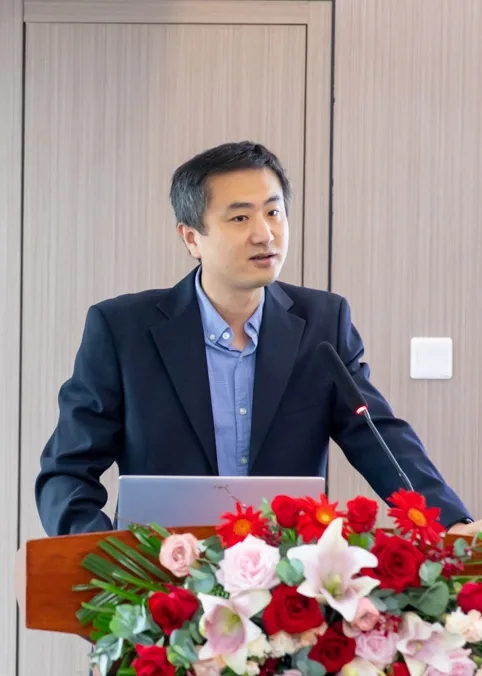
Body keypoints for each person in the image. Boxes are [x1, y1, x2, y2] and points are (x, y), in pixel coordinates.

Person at [35, 140, 479, 538]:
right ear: (191, 238)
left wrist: (449, 521)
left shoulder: (322, 323)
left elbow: (376, 435)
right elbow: (68, 469)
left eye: (273, 212)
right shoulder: (122, 330)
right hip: (159, 578)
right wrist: (101, 553)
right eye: (240, 217)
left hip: (286, 579)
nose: (264, 233)